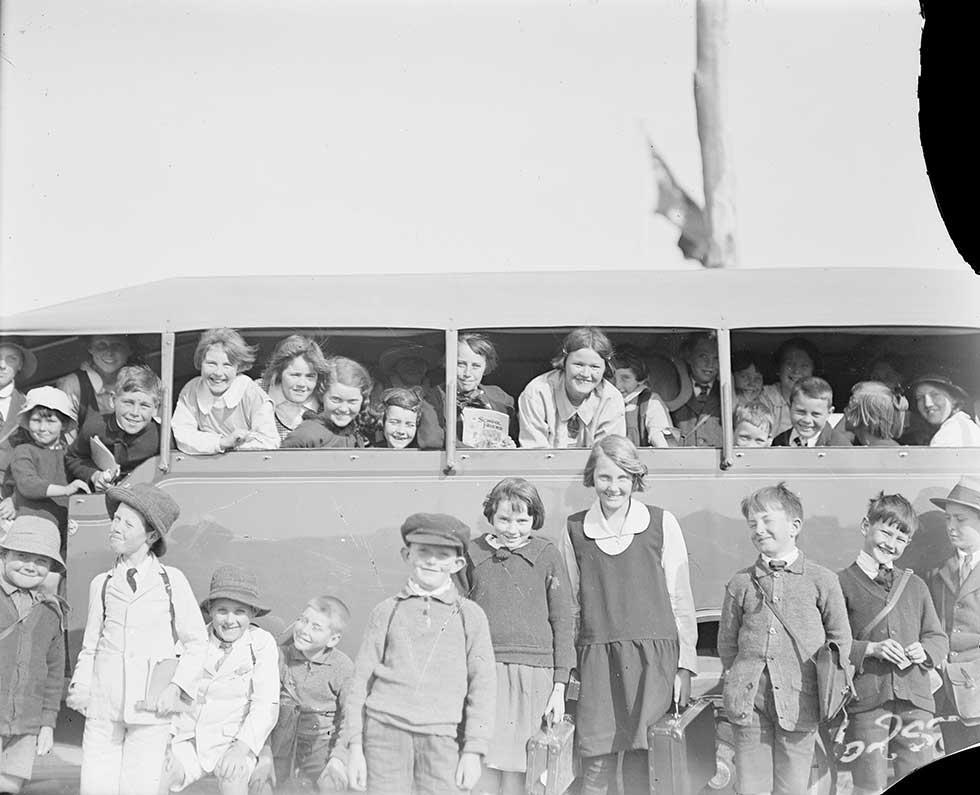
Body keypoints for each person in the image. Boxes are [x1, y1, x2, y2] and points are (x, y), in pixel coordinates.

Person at [559, 435, 697, 795]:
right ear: (592, 478)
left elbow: (680, 598)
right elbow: (570, 606)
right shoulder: (574, 529)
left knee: (643, 764)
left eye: (623, 478)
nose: (613, 487)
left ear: (635, 478)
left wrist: (685, 666)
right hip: (598, 661)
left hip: (653, 659)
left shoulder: (661, 523)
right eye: (605, 477)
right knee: (596, 764)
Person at [66, 484, 208, 795]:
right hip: (103, 709)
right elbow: (91, 645)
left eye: (127, 523)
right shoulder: (101, 584)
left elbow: (198, 643)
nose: (115, 527)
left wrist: (176, 687)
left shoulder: (172, 582)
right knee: (95, 787)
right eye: (115, 519)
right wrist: (82, 687)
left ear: (152, 537)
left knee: (140, 788)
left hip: (151, 709)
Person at [341, 514, 495, 795]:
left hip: (441, 737)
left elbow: (483, 686)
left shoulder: (470, 616)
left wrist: (474, 750)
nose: (432, 561)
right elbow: (359, 683)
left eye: (442, 554)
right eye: (423, 551)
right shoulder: (386, 611)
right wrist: (354, 748)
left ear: (458, 563)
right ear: (407, 554)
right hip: (383, 733)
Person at [718, 483, 851, 795]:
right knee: (751, 786)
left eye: (766, 521)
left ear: (794, 527)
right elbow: (728, 644)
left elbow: (840, 640)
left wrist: (826, 690)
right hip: (749, 704)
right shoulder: (741, 583)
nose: (759, 530)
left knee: (792, 787)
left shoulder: (822, 580)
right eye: (752, 524)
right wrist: (743, 679)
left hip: (801, 702)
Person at [467, 478, 575, 795]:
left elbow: (564, 620)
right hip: (486, 675)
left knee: (524, 768)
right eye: (504, 519)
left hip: (534, 678)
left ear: (534, 519)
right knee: (484, 764)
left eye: (522, 520)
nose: (512, 528)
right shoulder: (474, 553)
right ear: (490, 516)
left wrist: (559, 687)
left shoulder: (547, 554)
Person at [837, 492, 947, 795]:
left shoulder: (916, 585)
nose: (890, 543)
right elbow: (831, 643)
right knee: (868, 784)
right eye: (885, 531)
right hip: (867, 703)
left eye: (900, 538)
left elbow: (937, 638)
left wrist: (924, 651)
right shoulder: (840, 584)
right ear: (865, 526)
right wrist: (870, 649)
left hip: (916, 704)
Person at [161, 566, 279, 795]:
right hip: (190, 739)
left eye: (240, 612)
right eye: (222, 611)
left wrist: (241, 749)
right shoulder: (193, 642)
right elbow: (173, 693)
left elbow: (266, 706)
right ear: (210, 611)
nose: (230, 620)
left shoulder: (261, 643)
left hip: (233, 741)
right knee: (158, 775)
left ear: (253, 613)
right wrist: (166, 741)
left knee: (233, 775)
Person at [252, 596, 353, 792]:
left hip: (320, 746)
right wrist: (265, 753)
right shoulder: (279, 657)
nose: (304, 629)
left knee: (332, 784)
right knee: (259, 785)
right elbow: (261, 707)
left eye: (316, 627)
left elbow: (352, 717)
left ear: (333, 639)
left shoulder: (342, 667)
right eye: (302, 620)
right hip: (279, 743)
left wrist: (338, 758)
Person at [0, 516, 66, 795]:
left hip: (25, 724)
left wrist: (47, 724)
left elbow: (54, 673)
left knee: (8, 787)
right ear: (4, 555)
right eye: (22, 556)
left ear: (51, 567)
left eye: (41, 561)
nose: (30, 565)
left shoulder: (52, 611)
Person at [3, 387, 90, 563]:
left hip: (66, 527)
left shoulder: (70, 455)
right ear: (27, 422)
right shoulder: (23, 451)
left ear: (64, 424)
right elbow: (27, 484)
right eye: (36, 420)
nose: (42, 428)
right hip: (33, 526)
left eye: (51, 421)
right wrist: (66, 490)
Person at [925, 476, 980, 754]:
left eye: (960, 519)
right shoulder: (939, 571)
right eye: (947, 519)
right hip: (947, 689)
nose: (951, 527)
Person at [172, 328, 279, 455]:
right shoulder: (191, 389)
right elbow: (182, 434)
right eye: (211, 364)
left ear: (238, 367)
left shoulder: (251, 393)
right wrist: (221, 442)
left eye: (227, 365)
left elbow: (270, 441)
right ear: (201, 362)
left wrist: (236, 446)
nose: (218, 373)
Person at [518, 327, 626, 449]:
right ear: (564, 362)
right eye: (578, 365)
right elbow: (534, 453)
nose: (586, 374)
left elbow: (609, 455)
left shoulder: (612, 399)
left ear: (605, 368)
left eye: (595, 367)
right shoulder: (537, 393)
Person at [65, 365, 163, 491]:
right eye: (128, 403)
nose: (135, 412)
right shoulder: (94, 426)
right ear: (113, 400)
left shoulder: (161, 436)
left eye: (144, 405)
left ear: (156, 408)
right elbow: (74, 457)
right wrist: (94, 475)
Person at [282, 357, 374, 449]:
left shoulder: (357, 436)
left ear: (363, 401)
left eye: (352, 402)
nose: (343, 409)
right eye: (336, 400)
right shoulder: (305, 435)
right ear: (322, 395)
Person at [443, 333, 516, 448]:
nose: (467, 373)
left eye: (476, 366)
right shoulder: (436, 398)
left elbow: (514, 436)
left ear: (486, 367)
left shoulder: (501, 398)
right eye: (461, 364)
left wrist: (509, 446)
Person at [56, 335, 135, 435]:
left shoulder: (140, 382)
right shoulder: (73, 384)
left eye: (117, 345)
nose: (109, 353)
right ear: (90, 348)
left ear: (129, 349)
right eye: (101, 345)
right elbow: (68, 439)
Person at [257, 335, 329, 442]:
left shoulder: (326, 400)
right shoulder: (257, 391)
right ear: (279, 373)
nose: (302, 384)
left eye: (310, 376)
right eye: (295, 375)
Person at [0, 340, 37, 525]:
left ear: (20, 365)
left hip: (6, 501)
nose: (1, 365)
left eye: (11, 359)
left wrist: (15, 499)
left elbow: (35, 461)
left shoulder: (28, 407)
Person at [611, 346, 672, 448]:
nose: (617, 385)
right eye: (612, 378)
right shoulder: (604, 400)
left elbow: (660, 440)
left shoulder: (650, 402)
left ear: (640, 379)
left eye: (625, 378)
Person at [670, 331, 722, 447]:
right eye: (703, 356)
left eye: (716, 358)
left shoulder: (726, 392)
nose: (710, 364)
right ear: (689, 357)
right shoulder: (672, 389)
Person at [760, 338, 820, 438]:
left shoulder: (819, 398)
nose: (796, 371)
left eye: (804, 366)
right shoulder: (765, 397)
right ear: (779, 368)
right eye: (789, 364)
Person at [770, 376, 850, 448]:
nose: (807, 420)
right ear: (790, 407)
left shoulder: (840, 446)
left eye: (816, 414)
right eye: (801, 412)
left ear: (829, 413)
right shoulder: (779, 442)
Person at [909, 374, 980, 447]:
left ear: (954, 399)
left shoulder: (952, 431)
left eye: (935, 395)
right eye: (920, 398)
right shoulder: (960, 425)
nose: (927, 404)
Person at [844, 381, 904, 447]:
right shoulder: (890, 448)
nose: (845, 410)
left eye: (850, 406)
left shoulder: (874, 453)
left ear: (866, 415)